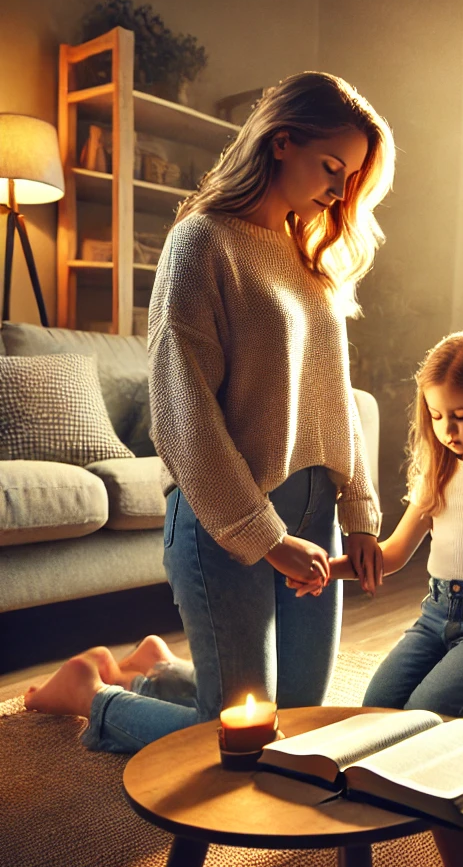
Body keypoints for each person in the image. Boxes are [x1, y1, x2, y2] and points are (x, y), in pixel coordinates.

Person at [24, 72, 395, 752]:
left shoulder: (312, 259)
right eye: (332, 168)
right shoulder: (202, 243)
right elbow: (181, 415)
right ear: (282, 143)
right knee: (241, 739)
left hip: (314, 512)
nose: (340, 192)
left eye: (352, 178)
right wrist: (265, 537)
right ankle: (94, 698)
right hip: (225, 519)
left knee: (297, 724)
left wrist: (361, 517)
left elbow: (336, 397)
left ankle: (161, 671)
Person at [291, 328, 463, 724]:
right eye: (436, 416)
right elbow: (393, 554)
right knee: (374, 710)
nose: (447, 430)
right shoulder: (438, 471)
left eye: (462, 416)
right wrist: (329, 570)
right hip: (435, 616)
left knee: (419, 718)